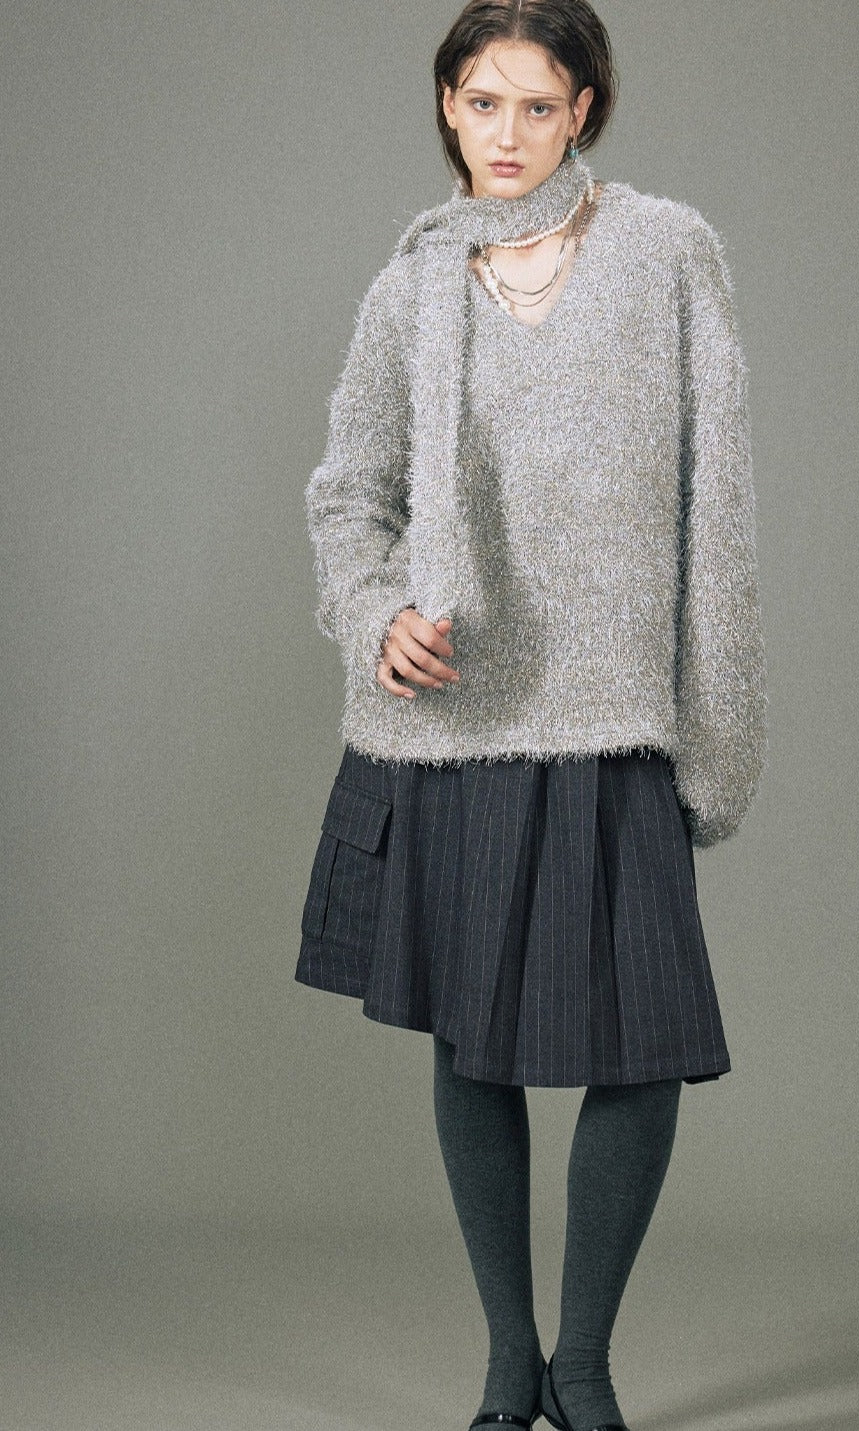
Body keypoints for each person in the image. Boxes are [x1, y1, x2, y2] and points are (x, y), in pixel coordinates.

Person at [296, 2, 766, 1428]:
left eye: (539, 106)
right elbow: (348, 496)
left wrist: (712, 720)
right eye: (483, 101)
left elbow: (718, 506)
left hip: (613, 714)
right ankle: (512, 1361)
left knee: (643, 1052)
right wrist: (377, 612)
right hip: (456, 722)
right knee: (471, 1046)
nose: (508, 134)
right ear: (448, 104)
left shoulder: (666, 252)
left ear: (585, 112)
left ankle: (586, 1361)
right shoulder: (412, 286)